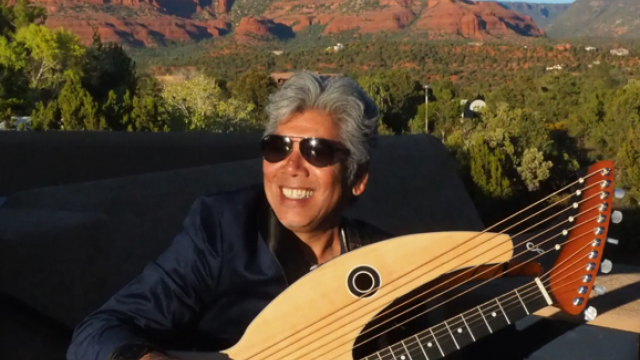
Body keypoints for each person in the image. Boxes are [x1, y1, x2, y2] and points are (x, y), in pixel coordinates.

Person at [66, 71, 391, 360]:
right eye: (278, 147)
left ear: (357, 177)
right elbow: (97, 333)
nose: (291, 167)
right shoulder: (225, 231)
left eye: (317, 151)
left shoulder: (387, 264)